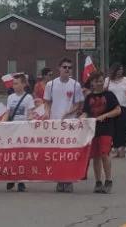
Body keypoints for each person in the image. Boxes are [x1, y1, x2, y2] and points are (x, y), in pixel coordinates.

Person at [44, 58, 84, 193]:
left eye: (69, 67)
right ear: (59, 68)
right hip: (55, 124)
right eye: (64, 67)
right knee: (57, 154)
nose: (67, 69)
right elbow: (47, 102)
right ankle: (60, 180)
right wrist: (47, 114)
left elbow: (78, 104)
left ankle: (68, 180)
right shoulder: (51, 84)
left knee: (69, 154)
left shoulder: (75, 85)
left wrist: (68, 113)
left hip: (69, 123)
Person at [80, 71, 122, 194]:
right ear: (92, 83)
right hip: (93, 129)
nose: (99, 83)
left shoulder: (109, 95)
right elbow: (86, 112)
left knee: (105, 154)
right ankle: (98, 182)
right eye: (96, 81)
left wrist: (105, 115)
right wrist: (81, 118)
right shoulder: (89, 97)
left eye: (101, 80)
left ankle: (108, 180)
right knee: (96, 156)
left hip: (106, 128)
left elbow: (118, 110)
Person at [6, 74, 33, 192]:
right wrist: (0, 124)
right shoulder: (10, 97)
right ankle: (12, 178)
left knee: (21, 157)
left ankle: (21, 181)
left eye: (16, 83)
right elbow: (8, 113)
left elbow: (30, 113)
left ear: (23, 84)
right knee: (12, 156)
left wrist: (30, 120)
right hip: (12, 130)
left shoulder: (28, 98)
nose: (14, 86)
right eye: (13, 83)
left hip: (23, 130)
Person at [105, 63, 126, 158]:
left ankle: (122, 149)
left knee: (122, 128)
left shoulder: (125, 80)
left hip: (123, 107)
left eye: (121, 69)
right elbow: (104, 93)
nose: (120, 71)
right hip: (111, 109)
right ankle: (116, 149)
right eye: (118, 69)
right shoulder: (108, 80)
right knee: (113, 129)